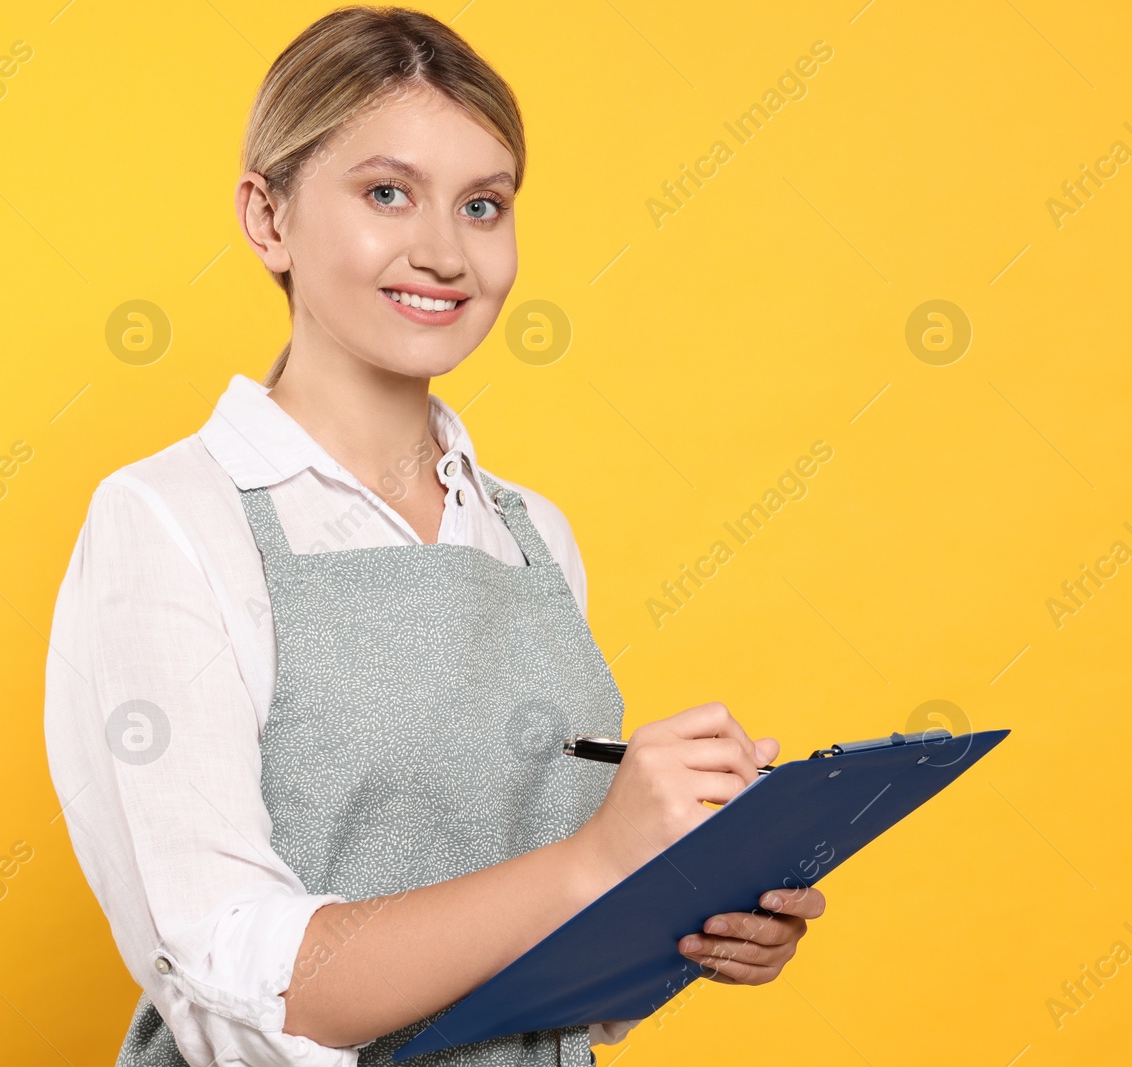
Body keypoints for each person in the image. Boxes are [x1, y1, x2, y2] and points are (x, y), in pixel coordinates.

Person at [43, 8, 825, 1065]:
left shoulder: (531, 533)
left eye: (483, 205)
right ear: (267, 218)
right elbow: (235, 973)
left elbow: (542, 957)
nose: (444, 251)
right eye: (385, 193)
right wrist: (593, 861)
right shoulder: (170, 520)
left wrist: (684, 905)